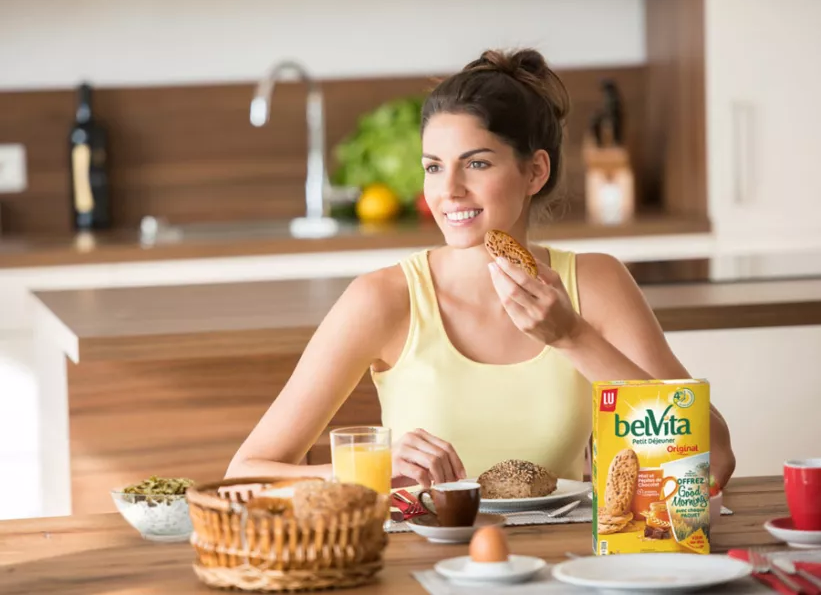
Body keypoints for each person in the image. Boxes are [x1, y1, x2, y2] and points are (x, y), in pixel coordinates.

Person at [226, 48, 736, 490]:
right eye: (432, 167)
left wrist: (572, 337)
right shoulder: (384, 298)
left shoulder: (594, 284)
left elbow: (713, 460)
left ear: (535, 171)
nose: (448, 191)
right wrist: (370, 469)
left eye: (476, 163)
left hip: (565, 566)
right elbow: (245, 473)